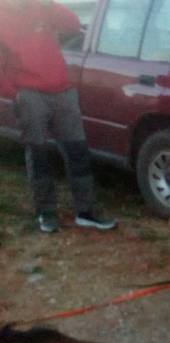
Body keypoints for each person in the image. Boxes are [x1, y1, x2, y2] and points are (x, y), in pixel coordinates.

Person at [0, 0, 116, 232]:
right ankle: (46, 213)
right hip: (29, 94)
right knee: (38, 153)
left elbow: (72, 25)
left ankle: (86, 212)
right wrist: (16, 94)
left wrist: (47, 4)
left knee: (78, 152)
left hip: (62, 90)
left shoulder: (41, 8)